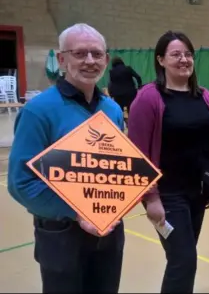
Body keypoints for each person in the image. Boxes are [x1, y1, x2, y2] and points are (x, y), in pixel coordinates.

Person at [7, 23, 125, 293]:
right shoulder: (38, 111)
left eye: (97, 54)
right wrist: (76, 212)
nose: (90, 61)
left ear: (106, 59)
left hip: (109, 233)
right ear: (61, 59)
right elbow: (21, 183)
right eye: (80, 53)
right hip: (61, 236)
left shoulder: (113, 110)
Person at [127, 31, 209, 293]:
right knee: (183, 261)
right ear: (160, 60)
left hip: (197, 193)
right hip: (167, 195)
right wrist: (151, 197)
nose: (184, 60)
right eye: (176, 54)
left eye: (188, 54)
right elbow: (138, 154)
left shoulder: (204, 96)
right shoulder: (148, 98)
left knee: (184, 259)